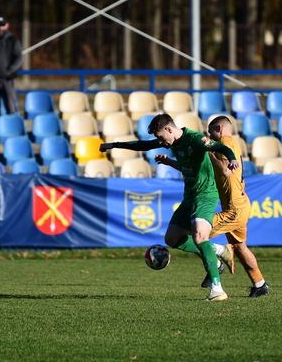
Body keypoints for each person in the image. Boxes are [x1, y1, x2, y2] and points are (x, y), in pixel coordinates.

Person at [99, 113, 239, 301]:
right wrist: (114, 145)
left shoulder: (195, 139)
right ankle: (219, 251)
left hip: (205, 194)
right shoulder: (172, 142)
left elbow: (220, 147)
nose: (160, 141)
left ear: (169, 129)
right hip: (190, 196)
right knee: (172, 238)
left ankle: (217, 290)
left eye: (160, 136)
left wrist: (231, 158)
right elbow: (143, 145)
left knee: (199, 236)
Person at [158, 116, 269, 298]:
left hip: (234, 210)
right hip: (239, 205)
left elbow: (225, 170)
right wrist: (170, 162)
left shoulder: (225, 142)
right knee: (240, 246)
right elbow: (197, 167)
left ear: (219, 129)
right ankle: (260, 284)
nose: (209, 137)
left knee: (195, 233)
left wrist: (208, 152)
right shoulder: (231, 143)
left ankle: (216, 264)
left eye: (210, 133)